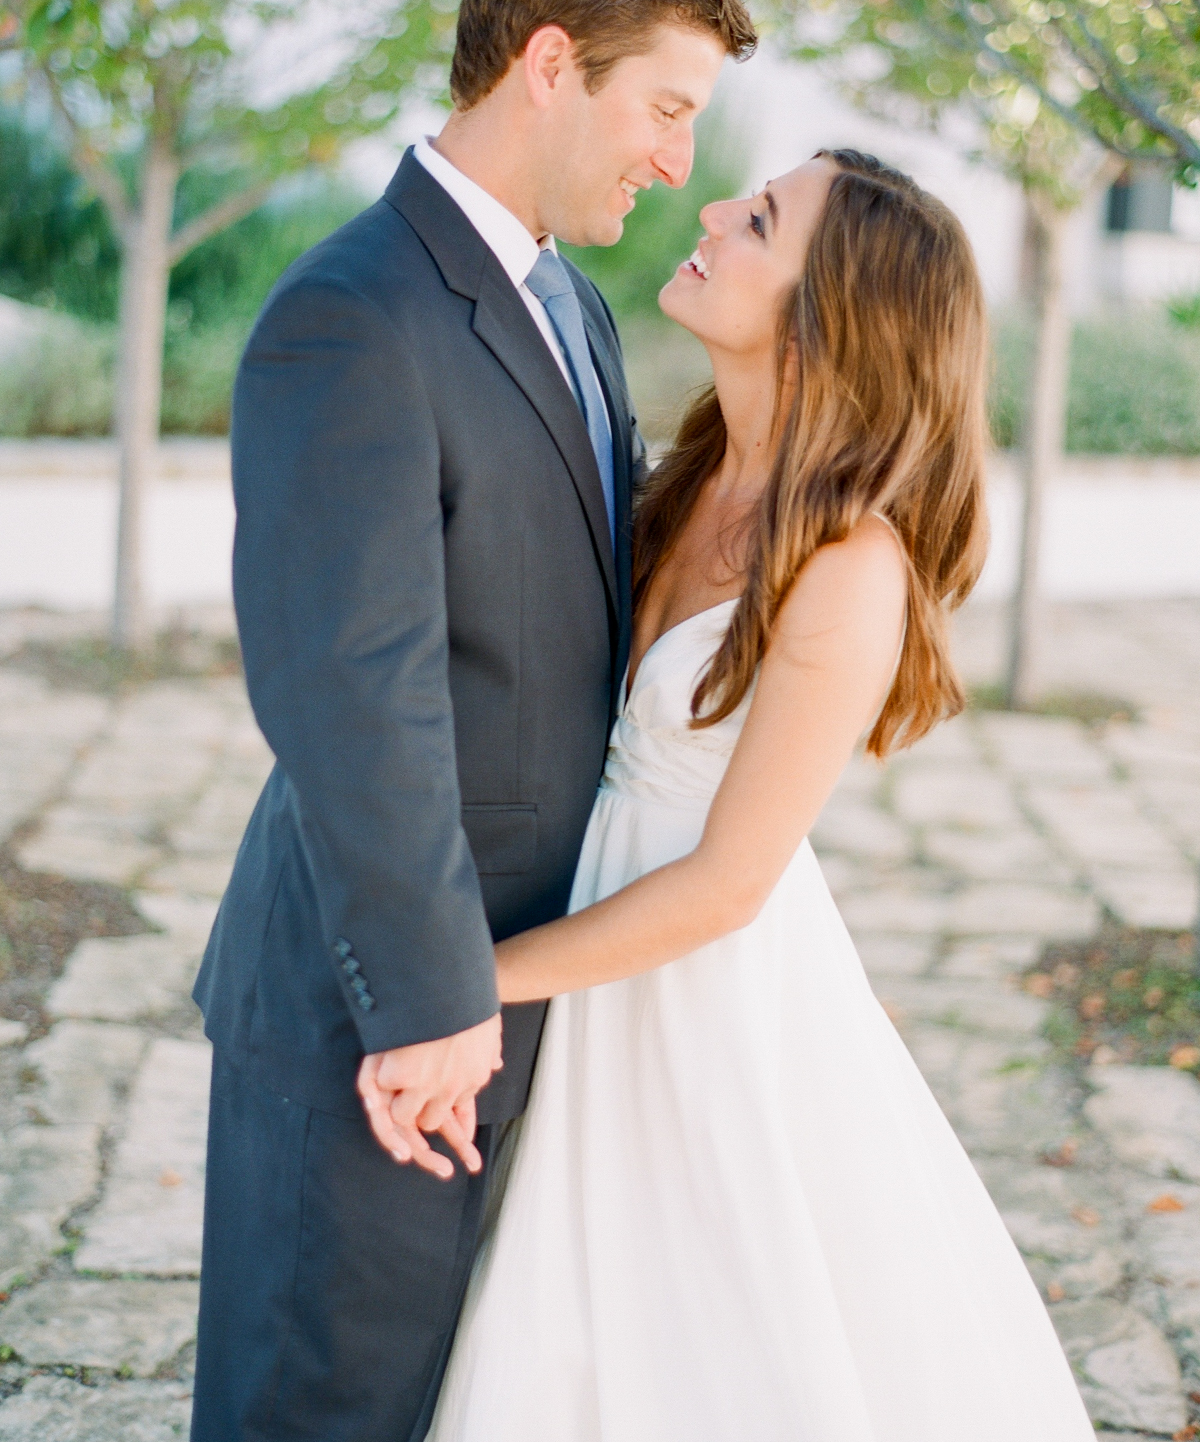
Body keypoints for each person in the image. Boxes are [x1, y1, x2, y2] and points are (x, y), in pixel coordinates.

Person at [189, 0, 756, 1441]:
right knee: (320, 1412)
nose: (677, 160)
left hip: (523, 991)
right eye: (665, 108)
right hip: (385, 1010)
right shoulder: (348, 318)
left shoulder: (570, 302)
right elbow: (347, 694)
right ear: (552, 63)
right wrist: (437, 1005)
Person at [427, 150, 1097, 1440]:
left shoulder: (851, 566)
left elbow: (731, 884)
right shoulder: (676, 481)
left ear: (826, 310)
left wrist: (467, 974)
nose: (714, 212)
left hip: (694, 986)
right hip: (584, 927)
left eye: (761, 219)